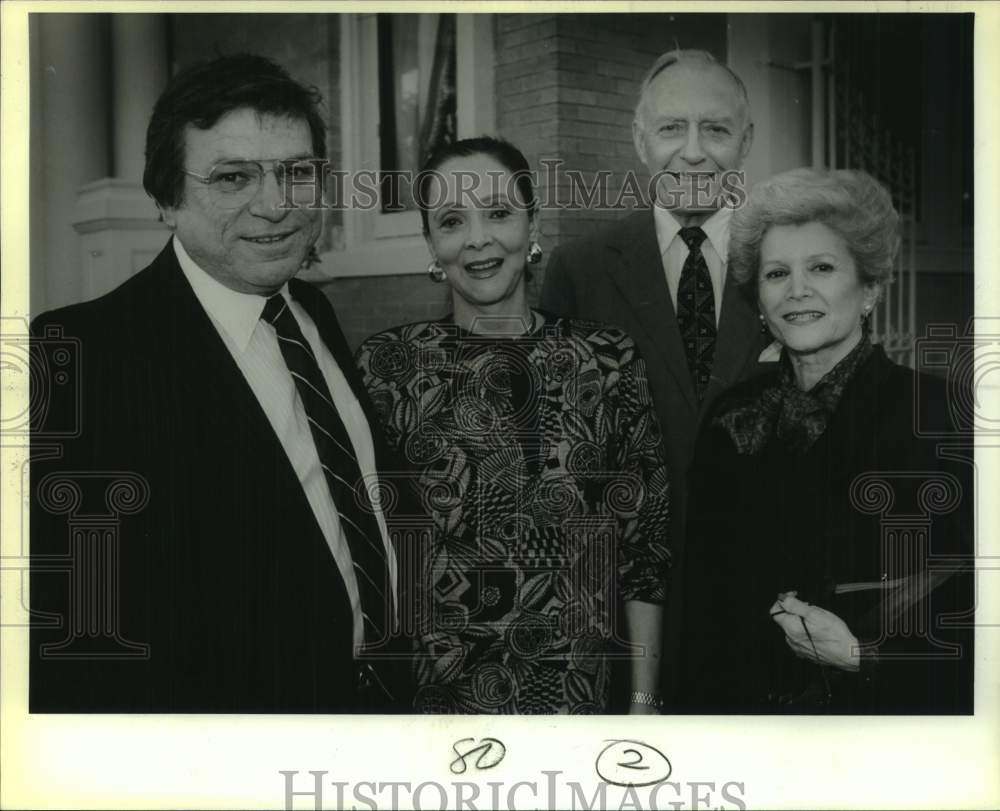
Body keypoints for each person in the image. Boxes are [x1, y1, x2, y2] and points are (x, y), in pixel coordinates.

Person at [30, 54, 404, 713]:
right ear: (169, 198)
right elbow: (81, 640)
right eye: (234, 177)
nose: (276, 205)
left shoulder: (310, 311)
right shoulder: (82, 356)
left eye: (297, 173)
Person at [355, 137, 671, 714]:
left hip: (574, 704)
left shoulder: (604, 361)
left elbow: (643, 551)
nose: (478, 239)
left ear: (532, 226)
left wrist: (645, 701)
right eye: (452, 221)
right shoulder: (387, 370)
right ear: (431, 244)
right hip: (434, 711)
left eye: (498, 213)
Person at [678, 168, 974, 713]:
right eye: (776, 274)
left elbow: (979, 613)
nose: (797, 291)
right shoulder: (732, 417)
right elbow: (700, 603)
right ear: (759, 301)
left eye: (821, 267)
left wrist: (869, 655)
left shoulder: (944, 415)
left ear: (870, 289)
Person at [540, 49, 768, 707]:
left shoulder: (788, 265)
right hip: (620, 617)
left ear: (745, 142)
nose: (693, 152)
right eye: (672, 129)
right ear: (641, 140)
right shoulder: (579, 269)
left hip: (758, 610)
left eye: (716, 130)